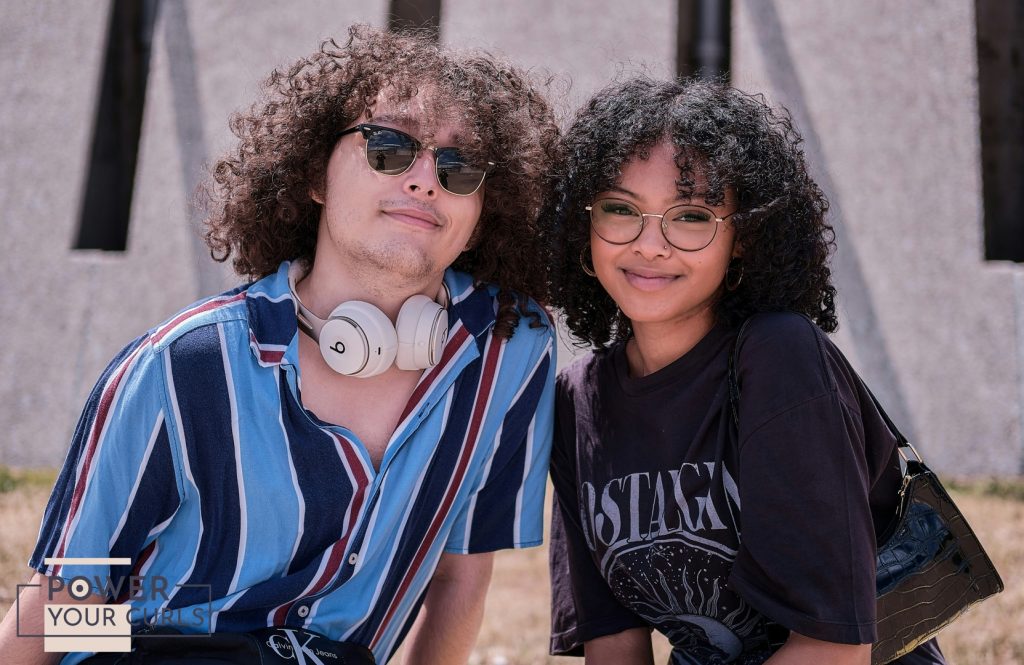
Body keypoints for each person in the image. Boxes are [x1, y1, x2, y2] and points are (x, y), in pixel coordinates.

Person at [0, 25, 558, 665]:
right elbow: (66, 603)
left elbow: (459, 578)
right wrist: (152, 633)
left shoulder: (510, 347)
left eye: (460, 168)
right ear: (315, 176)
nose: (426, 179)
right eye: (388, 146)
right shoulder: (182, 365)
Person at [545, 76, 945, 665]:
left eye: (690, 217)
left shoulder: (780, 358)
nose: (650, 245)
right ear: (585, 228)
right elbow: (613, 644)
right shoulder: (577, 400)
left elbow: (834, 652)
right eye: (620, 209)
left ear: (744, 239)